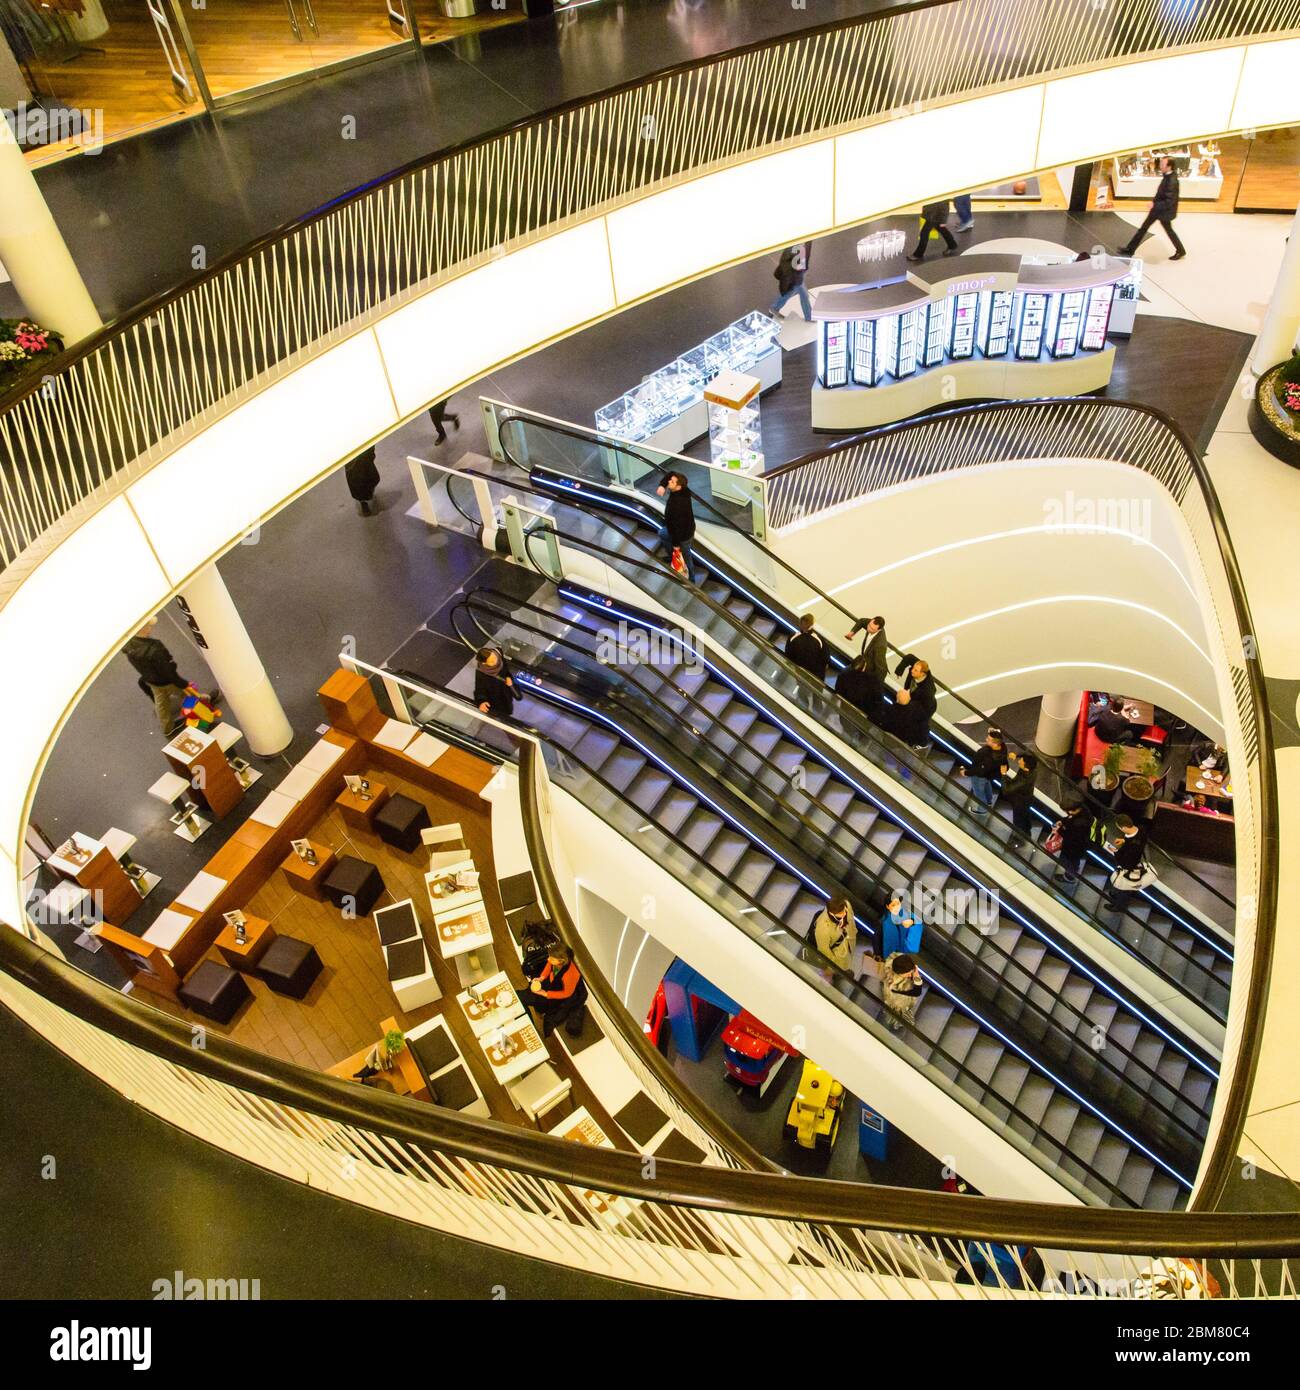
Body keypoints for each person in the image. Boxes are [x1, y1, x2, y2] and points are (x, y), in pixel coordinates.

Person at [124, 619, 217, 735]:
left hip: (151, 680)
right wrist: (183, 683)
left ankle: (167, 728)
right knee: (186, 692)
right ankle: (205, 702)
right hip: (166, 681)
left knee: (162, 704)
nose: (150, 628)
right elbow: (168, 672)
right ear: (142, 628)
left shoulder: (128, 646)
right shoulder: (155, 649)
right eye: (148, 626)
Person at [1120, 154, 1186, 261]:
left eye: (1162, 164)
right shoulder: (1168, 176)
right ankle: (1130, 249)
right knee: (1144, 228)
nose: (1160, 166)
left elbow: (1169, 201)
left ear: (1169, 166)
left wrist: (1155, 204)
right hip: (1158, 209)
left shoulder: (1172, 181)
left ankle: (1181, 250)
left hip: (1163, 211)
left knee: (1167, 231)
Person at [523, 943, 588, 1037]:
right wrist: (541, 977)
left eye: (551, 958)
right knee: (530, 997)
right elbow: (549, 966)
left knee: (540, 1004)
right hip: (552, 983)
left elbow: (566, 993)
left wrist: (546, 994)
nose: (548, 959)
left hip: (559, 993)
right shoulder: (554, 961)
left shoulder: (571, 974)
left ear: (561, 960)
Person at [655, 471, 697, 581]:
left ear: (678, 486)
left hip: (683, 535)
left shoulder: (677, 504)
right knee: (662, 533)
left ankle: (691, 579)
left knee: (686, 557)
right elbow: (671, 474)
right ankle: (672, 556)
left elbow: (677, 528)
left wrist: (676, 545)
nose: (669, 481)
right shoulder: (684, 490)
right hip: (686, 529)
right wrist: (662, 485)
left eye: (672, 482)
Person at [1102, 814, 1150, 909]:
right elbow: (1136, 839)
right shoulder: (1141, 829)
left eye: (1119, 828)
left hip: (1129, 867)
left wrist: (1116, 852)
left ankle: (1119, 906)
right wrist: (1124, 840)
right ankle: (1117, 894)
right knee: (1123, 887)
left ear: (1123, 827)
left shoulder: (1132, 846)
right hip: (1134, 860)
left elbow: (1125, 861)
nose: (1119, 829)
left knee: (1124, 888)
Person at [891, 655, 936, 752]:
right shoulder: (918, 665)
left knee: (921, 723)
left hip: (926, 706)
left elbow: (924, 705)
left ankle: (922, 743)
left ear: (922, 674)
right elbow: (909, 657)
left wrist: (907, 700)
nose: (912, 671)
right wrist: (900, 669)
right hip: (913, 700)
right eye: (913, 668)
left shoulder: (927, 690)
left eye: (915, 670)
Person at [872, 952, 924, 1030]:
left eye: (912, 971)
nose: (911, 975)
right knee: (899, 1014)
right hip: (898, 1002)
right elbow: (917, 992)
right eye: (908, 974)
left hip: (895, 997)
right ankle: (899, 1023)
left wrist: (913, 972)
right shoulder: (895, 986)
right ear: (899, 973)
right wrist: (917, 978)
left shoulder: (897, 961)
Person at [960, 727, 1005, 816]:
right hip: (989, 774)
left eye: (988, 739)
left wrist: (966, 773)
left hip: (979, 776)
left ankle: (982, 810)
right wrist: (993, 732)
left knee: (979, 792)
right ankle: (988, 801)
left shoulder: (986, 754)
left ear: (995, 744)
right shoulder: (1002, 749)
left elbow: (979, 770)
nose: (986, 739)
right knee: (987, 785)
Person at [1000, 751, 1039, 848]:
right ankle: (1027, 832)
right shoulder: (1033, 769)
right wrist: (1017, 755)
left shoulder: (1023, 780)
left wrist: (1004, 774)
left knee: (1018, 822)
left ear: (1025, 766)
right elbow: (1030, 755)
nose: (1019, 760)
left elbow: (1006, 790)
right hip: (1028, 798)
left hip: (1020, 803)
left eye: (1021, 760)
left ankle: (1019, 840)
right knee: (1025, 818)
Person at [1052, 801, 1094, 887]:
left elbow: (1069, 836)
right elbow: (1070, 818)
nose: (1066, 813)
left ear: (1071, 811)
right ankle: (1072, 871)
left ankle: (1069, 878)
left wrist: (1058, 830)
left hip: (1073, 848)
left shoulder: (1078, 824)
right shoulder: (1083, 809)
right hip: (1080, 846)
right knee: (1074, 861)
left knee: (1068, 862)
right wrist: (1063, 821)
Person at [811, 897, 857, 976]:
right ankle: (840, 972)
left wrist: (853, 932)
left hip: (849, 941)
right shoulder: (823, 929)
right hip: (838, 954)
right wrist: (834, 967)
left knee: (848, 957)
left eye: (844, 910)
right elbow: (825, 952)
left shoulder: (846, 904)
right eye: (840, 913)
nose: (844, 913)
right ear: (832, 913)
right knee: (841, 966)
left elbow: (851, 918)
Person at [769, 243, 812, 321]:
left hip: (796, 277)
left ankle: (774, 308)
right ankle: (808, 318)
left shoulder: (800, 246)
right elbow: (790, 264)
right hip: (794, 278)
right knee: (803, 296)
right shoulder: (794, 249)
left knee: (790, 294)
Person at [474, 646, 517, 718]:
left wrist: (508, 677)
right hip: (498, 700)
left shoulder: (498, 653)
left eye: (494, 657)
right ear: (484, 663)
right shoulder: (481, 673)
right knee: (505, 717)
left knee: (509, 706)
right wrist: (481, 701)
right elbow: (479, 690)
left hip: (507, 691)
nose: (496, 661)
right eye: (492, 661)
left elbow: (506, 669)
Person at [785, 614, 829, 681]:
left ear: (800, 624)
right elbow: (826, 658)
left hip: (800, 671)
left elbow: (788, 655)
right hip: (816, 675)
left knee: (801, 687)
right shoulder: (819, 639)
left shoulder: (793, 637)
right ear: (812, 624)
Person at [880, 892, 921, 958]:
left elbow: (917, 920)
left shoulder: (904, 913)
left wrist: (912, 921)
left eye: (898, 904)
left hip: (903, 950)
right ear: (887, 906)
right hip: (893, 954)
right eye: (893, 905)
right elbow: (887, 942)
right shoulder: (886, 922)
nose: (897, 907)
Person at [344, 445, 380, 516]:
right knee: (357, 482)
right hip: (351, 458)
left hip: (364, 453)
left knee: (373, 478)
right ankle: (363, 502)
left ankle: (367, 493)